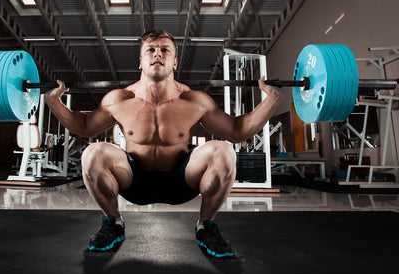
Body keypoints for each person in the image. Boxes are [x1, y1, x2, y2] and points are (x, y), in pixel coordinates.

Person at [45, 30, 283, 257]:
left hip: (180, 181)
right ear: (140, 61)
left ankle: (206, 226)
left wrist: (272, 99)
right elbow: (84, 127)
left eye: (164, 50)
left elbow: (237, 132)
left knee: (224, 151)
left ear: (175, 62)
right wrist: (54, 102)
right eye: (150, 50)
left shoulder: (194, 101)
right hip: (134, 181)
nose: (157, 54)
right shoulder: (119, 100)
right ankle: (113, 223)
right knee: (92, 153)